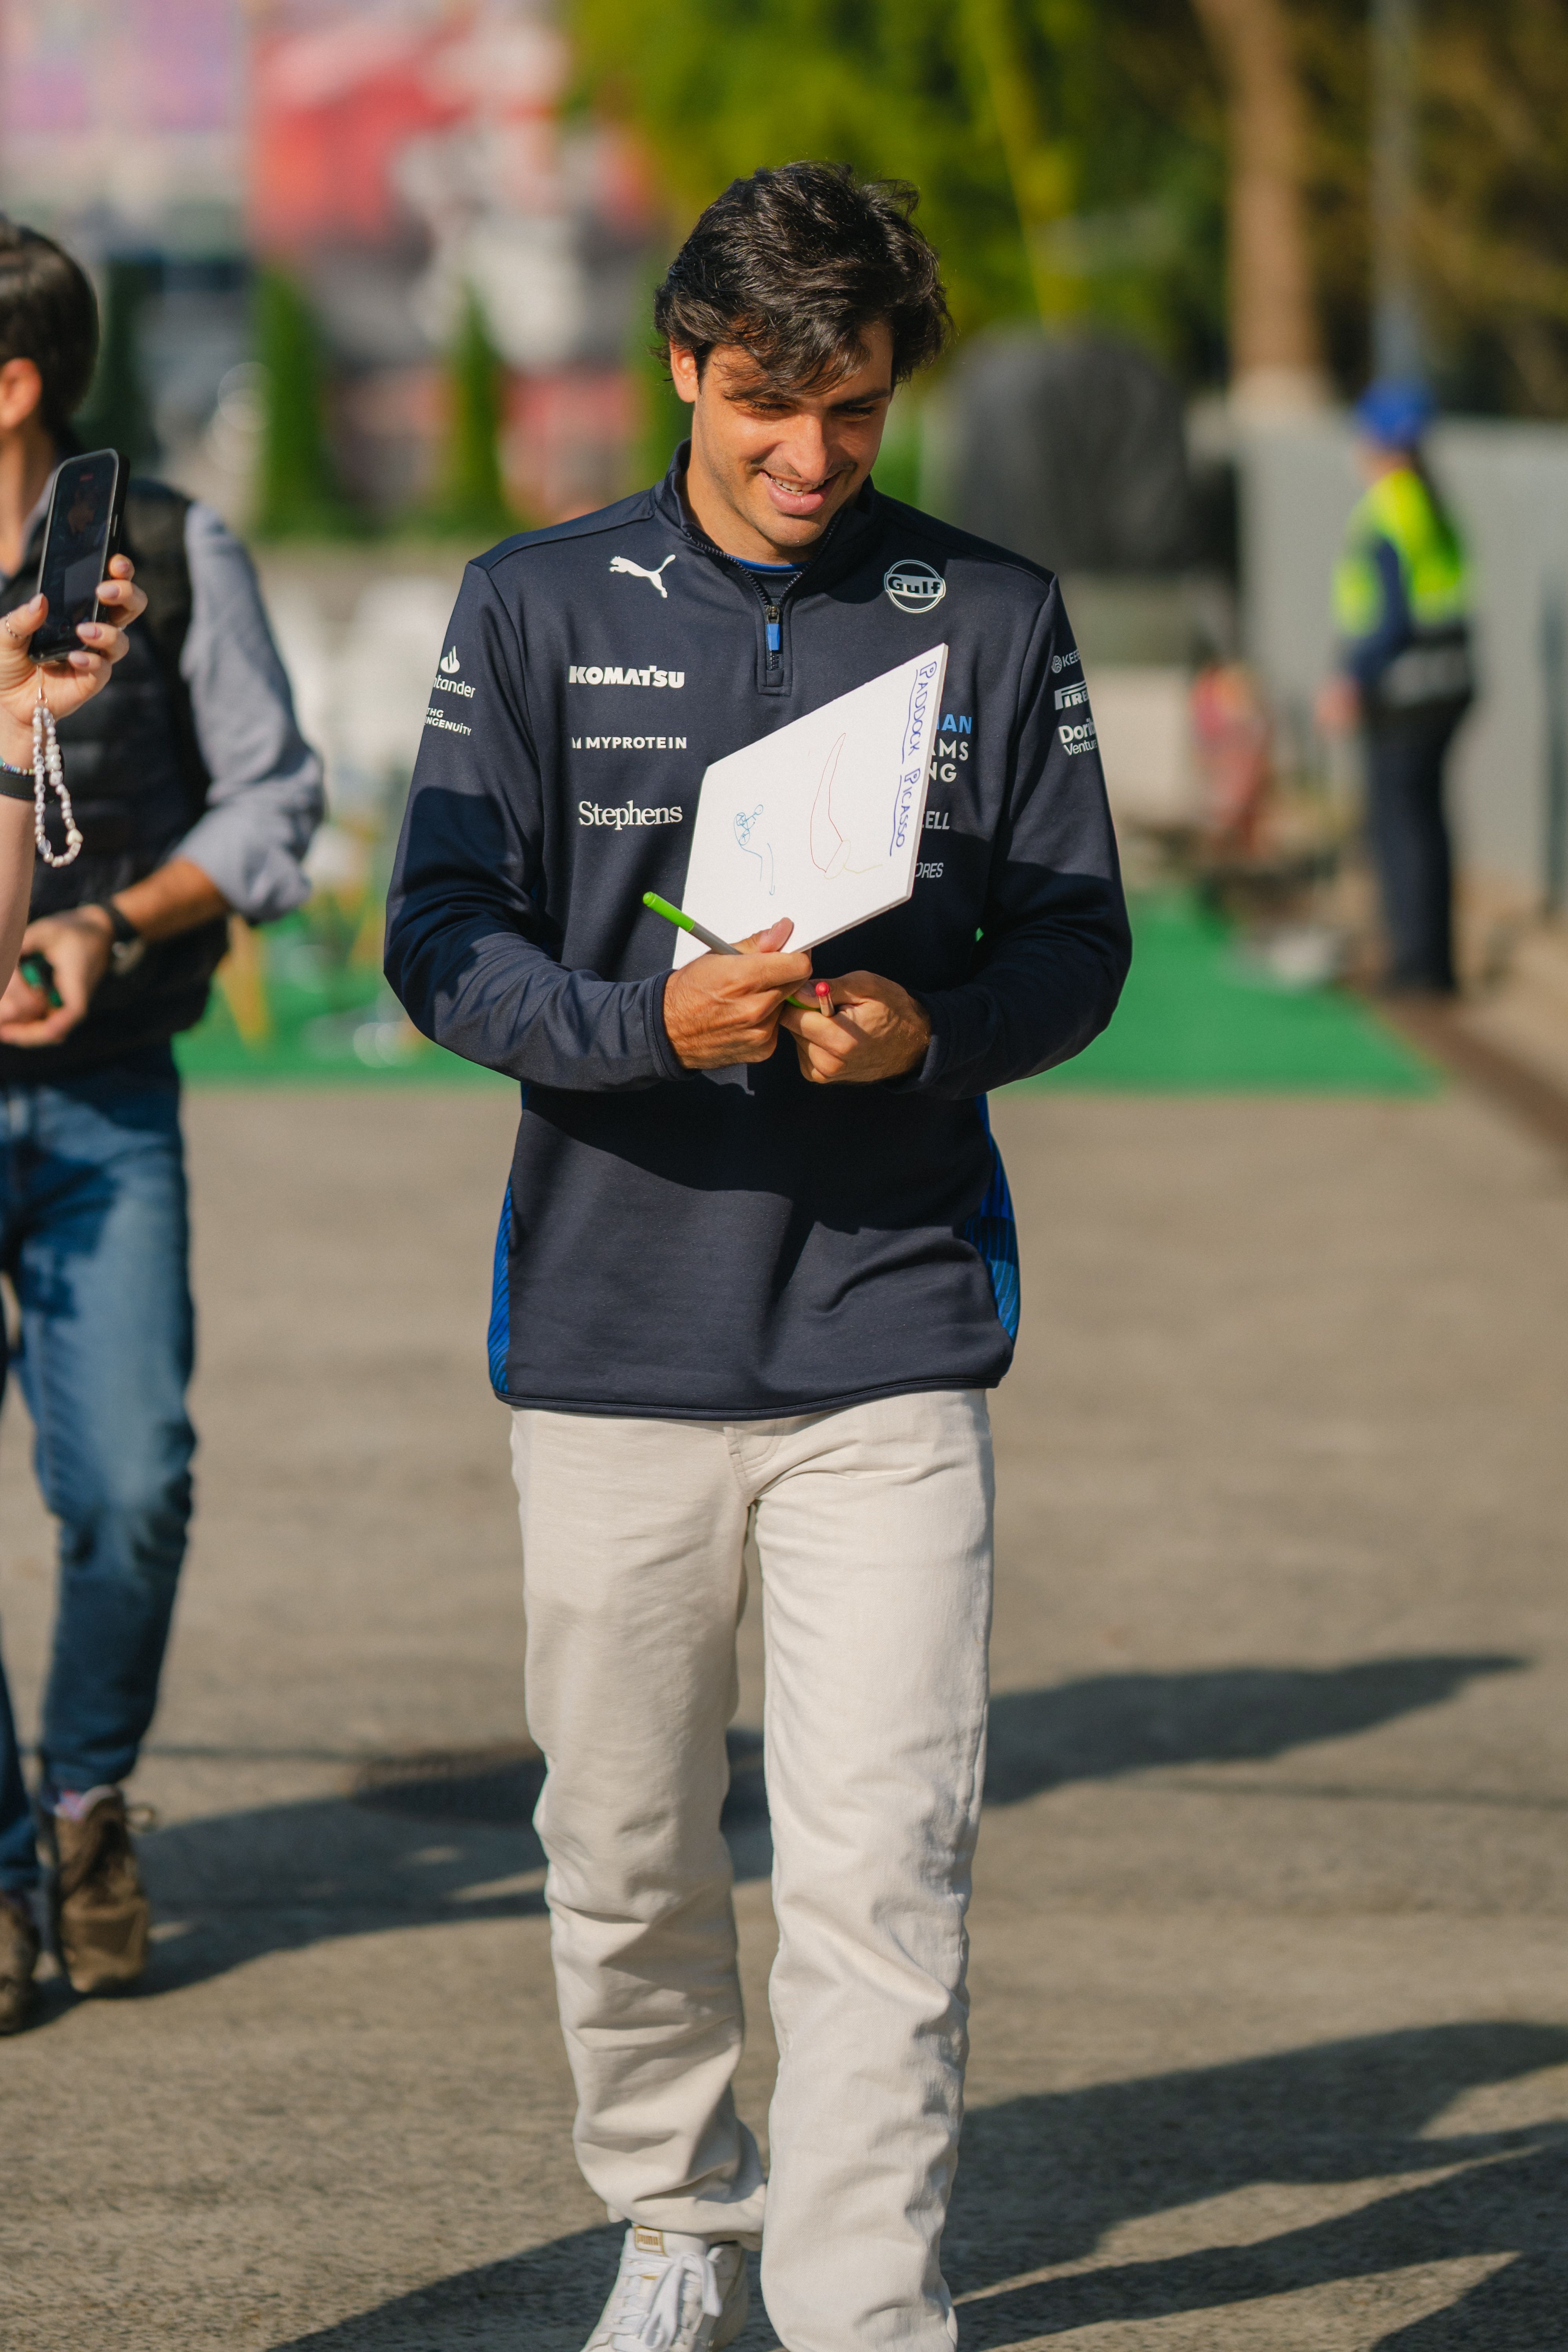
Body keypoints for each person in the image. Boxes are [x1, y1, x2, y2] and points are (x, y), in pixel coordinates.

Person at [385, 164, 1129, 2352]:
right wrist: (641, 1027)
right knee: (623, 1861)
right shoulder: (531, 605)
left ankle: (864, 2306)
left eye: (861, 418)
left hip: (892, 1333)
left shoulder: (988, 612)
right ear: (688, 369)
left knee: (884, 1868)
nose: (815, 461)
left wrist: (933, 1033)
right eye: (772, 410)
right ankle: (682, 2217)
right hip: (613, 1334)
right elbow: (434, 937)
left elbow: (1077, 936)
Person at [0, 220, 323, 2035]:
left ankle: (85, 1802)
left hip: (106, 1085)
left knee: (129, 1480)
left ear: (17, 384)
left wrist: (112, 919)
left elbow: (279, 799)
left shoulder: (178, 561)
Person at [1318, 379, 1474, 993]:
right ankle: (1435, 961)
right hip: (1449, 687)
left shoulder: (1389, 508)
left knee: (1398, 824)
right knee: (1428, 822)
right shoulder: (1433, 502)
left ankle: (1413, 966)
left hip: (1406, 695)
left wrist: (1348, 683)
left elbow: (1388, 621)